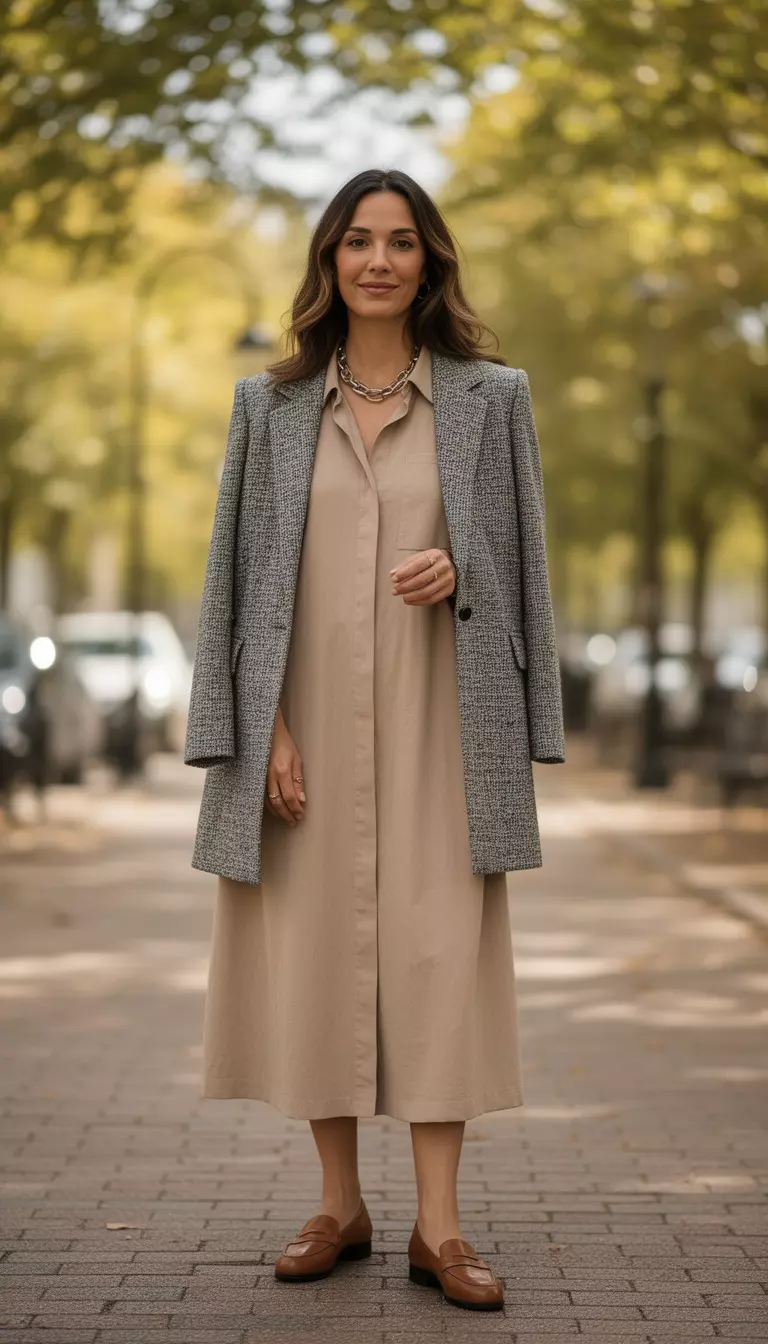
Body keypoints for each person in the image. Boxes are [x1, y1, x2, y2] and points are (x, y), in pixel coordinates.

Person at [185, 167, 565, 1312]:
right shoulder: (270, 405)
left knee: (439, 957)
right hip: (304, 733)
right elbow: (237, 587)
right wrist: (264, 731)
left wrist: (463, 571)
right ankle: (339, 1204)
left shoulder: (494, 400)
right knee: (316, 960)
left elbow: (526, 578)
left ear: (430, 261)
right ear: (329, 262)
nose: (381, 261)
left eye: (402, 241)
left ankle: (438, 1228)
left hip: (444, 724)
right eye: (358, 241)